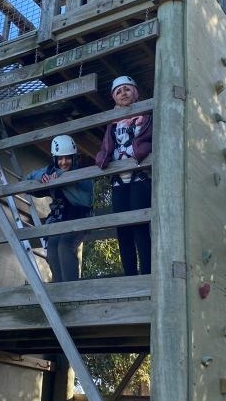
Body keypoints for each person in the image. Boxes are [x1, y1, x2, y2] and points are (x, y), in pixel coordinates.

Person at [95, 75, 152, 276]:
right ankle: (130, 276)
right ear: (114, 97)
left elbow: (152, 137)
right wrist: (102, 157)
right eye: (118, 91)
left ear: (135, 92)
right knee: (123, 230)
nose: (123, 94)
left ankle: (147, 275)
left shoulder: (146, 114)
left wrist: (143, 150)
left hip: (139, 175)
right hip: (119, 178)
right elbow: (106, 145)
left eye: (127, 89)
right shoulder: (112, 122)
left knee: (140, 227)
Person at [27, 134, 93, 282]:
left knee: (64, 245)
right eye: (60, 158)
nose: (64, 162)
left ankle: (71, 290)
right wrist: (42, 178)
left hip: (79, 217)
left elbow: (86, 200)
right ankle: (60, 291)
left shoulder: (82, 173)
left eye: (68, 158)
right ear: (55, 159)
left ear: (74, 157)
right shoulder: (51, 171)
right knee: (52, 249)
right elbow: (29, 178)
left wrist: (61, 179)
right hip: (58, 219)